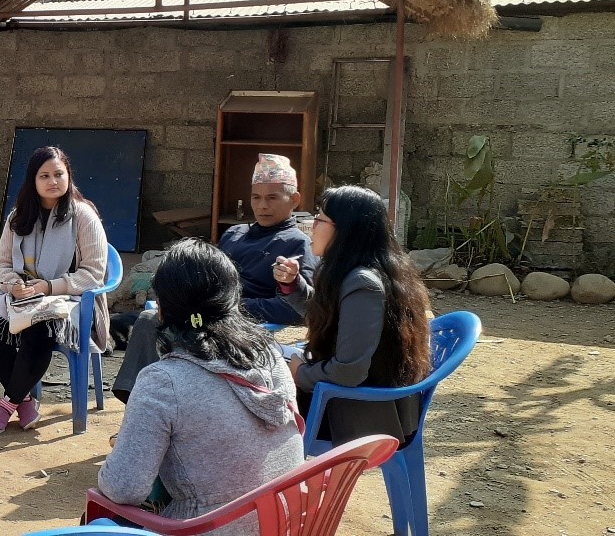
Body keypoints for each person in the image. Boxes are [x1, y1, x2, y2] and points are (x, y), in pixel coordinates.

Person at [96, 239, 304, 535]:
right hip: (287, 523)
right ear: (232, 298)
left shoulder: (162, 381)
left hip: (206, 527)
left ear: (163, 310)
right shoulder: (269, 352)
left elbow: (123, 488)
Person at [113, 153, 315, 402]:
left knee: (159, 325)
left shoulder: (298, 244)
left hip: (240, 325)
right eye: (256, 197)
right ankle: (138, 405)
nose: (263, 205)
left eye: (272, 198)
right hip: (203, 313)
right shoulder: (235, 233)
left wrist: (230, 307)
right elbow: (205, 276)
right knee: (147, 319)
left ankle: (157, 408)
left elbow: (294, 309)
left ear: (294, 200)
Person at [273, 184, 432, 445]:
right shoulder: (364, 270)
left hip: (362, 416)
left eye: (319, 219)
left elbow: (349, 372)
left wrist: (300, 373)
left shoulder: (363, 283)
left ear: (345, 230)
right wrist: (293, 285)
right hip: (356, 402)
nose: (311, 226)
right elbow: (329, 316)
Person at [0, 146, 109, 435]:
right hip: (22, 295)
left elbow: (93, 275)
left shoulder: (84, 216)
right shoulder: (18, 217)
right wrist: (15, 285)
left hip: (68, 298)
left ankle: (7, 404)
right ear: (32, 181)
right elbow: (3, 264)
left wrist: (49, 287)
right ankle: (24, 399)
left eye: (59, 174)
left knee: (40, 326)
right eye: (44, 175)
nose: (53, 181)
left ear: (69, 176)